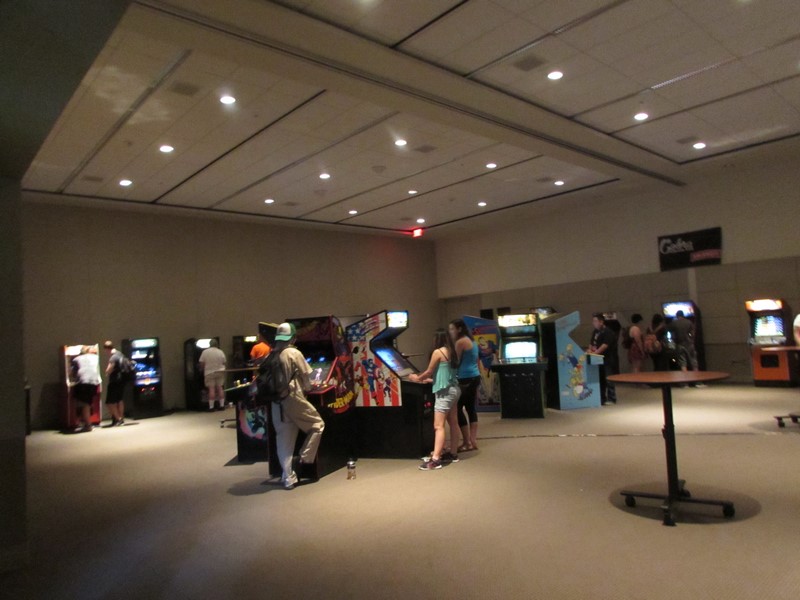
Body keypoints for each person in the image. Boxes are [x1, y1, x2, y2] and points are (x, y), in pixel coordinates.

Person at [268, 322, 325, 490]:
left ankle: (288, 478)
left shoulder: (272, 354)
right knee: (318, 425)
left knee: (284, 442)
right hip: (293, 398)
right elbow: (307, 379)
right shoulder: (294, 352)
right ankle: (303, 459)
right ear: (293, 338)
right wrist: (311, 387)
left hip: (276, 403)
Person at [409, 330, 461, 470]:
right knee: (453, 422)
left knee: (438, 426)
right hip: (454, 390)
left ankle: (435, 459)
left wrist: (416, 378)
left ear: (437, 339)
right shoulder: (452, 352)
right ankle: (453, 453)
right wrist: (430, 381)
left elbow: (429, 371)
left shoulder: (438, 352)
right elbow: (445, 375)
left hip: (444, 393)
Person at [450, 319, 480, 452]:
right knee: (470, 408)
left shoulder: (460, 342)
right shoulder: (472, 341)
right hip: (475, 376)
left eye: (452, 329)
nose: (450, 332)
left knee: (457, 408)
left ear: (459, 329)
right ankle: (473, 440)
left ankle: (467, 441)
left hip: (464, 378)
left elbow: (455, 361)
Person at [590, 313, 619, 405]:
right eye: (593, 321)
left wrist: (596, 353)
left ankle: (612, 398)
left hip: (608, 359)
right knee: (601, 379)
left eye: (595, 321)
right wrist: (591, 350)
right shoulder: (595, 332)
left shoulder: (608, 332)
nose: (594, 323)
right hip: (598, 360)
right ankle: (602, 398)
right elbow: (592, 343)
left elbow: (605, 345)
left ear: (601, 322)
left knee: (608, 378)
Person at [71, 346, 101, 432]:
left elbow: (73, 373)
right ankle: (85, 422)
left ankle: (87, 425)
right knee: (88, 402)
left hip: (83, 381)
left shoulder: (76, 359)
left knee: (84, 404)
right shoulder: (95, 357)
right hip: (94, 382)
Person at [103, 340, 129, 426]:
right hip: (122, 380)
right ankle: (121, 417)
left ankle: (118, 419)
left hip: (114, 381)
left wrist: (107, 372)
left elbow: (109, 370)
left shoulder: (113, 357)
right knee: (119, 400)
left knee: (110, 402)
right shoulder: (120, 354)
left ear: (107, 349)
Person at [199, 339, 227, 411]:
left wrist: (202, 369)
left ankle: (211, 407)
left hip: (209, 372)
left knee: (211, 389)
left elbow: (202, 363)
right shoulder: (220, 352)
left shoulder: (205, 352)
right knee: (220, 388)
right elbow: (224, 362)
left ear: (210, 344)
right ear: (217, 344)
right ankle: (222, 405)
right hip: (220, 371)